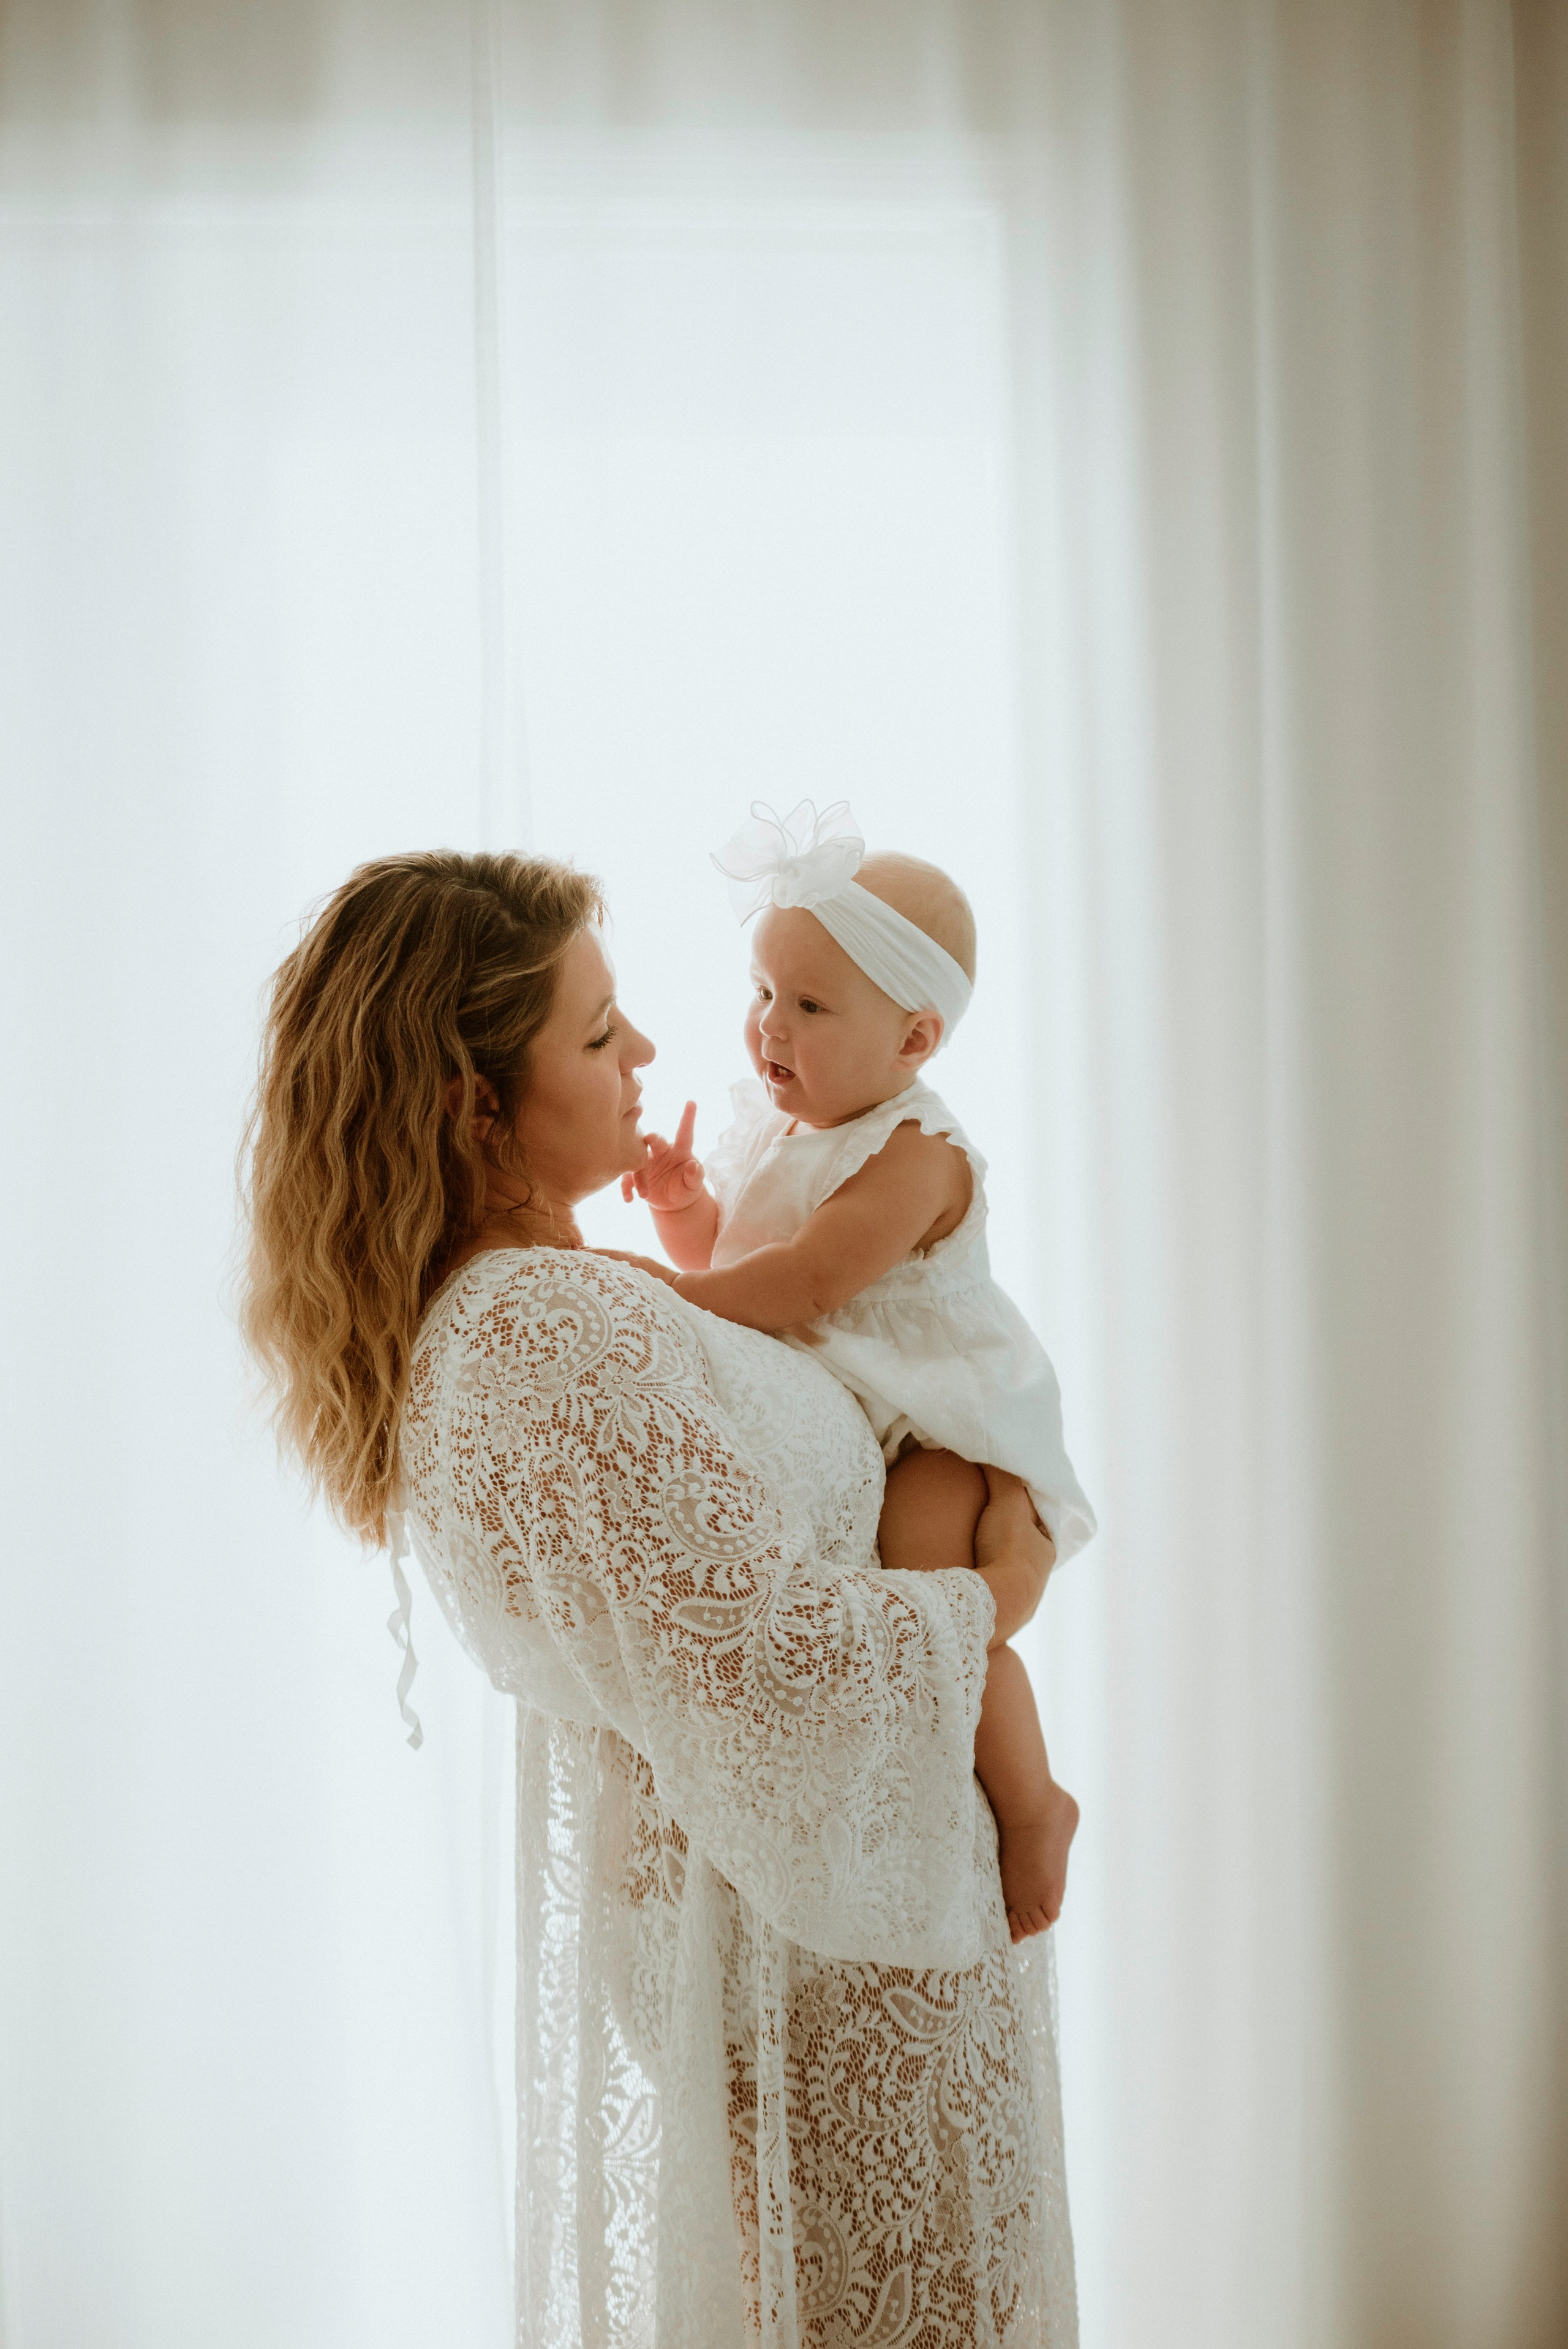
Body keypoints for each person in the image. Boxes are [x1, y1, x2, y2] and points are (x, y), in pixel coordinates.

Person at [240, 849, 1077, 2348]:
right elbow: (775, 1671)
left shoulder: (548, 1308)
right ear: (468, 1100)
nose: (646, 1055)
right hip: (818, 1955)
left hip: (828, 1920)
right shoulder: (544, 1331)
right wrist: (992, 1597)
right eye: (594, 1032)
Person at [620, 800, 1095, 1941]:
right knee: (903, 1622)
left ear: (915, 1041)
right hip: (870, 1408)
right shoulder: (786, 1130)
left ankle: (1034, 1805)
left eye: (810, 1005)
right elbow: (747, 1260)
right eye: (762, 991)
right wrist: (690, 1214)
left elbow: (807, 1283)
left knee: (940, 1609)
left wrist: (663, 1298)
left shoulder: (920, 1156)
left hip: (941, 1428)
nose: (768, 1026)